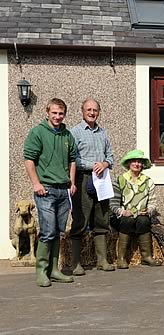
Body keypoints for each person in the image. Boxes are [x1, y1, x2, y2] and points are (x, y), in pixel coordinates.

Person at [24, 98, 77, 287]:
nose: (57, 116)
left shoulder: (67, 135)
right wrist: (36, 183)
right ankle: (41, 271)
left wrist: (71, 182)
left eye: (61, 113)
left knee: (59, 231)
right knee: (47, 231)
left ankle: (55, 270)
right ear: (47, 112)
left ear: (65, 114)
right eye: (54, 113)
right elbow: (29, 159)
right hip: (45, 189)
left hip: (64, 190)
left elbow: (73, 159)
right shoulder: (38, 132)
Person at [70, 98, 115, 275]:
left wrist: (104, 164)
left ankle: (102, 260)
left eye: (95, 110)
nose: (92, 112)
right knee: (80, 219)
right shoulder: (75, 132)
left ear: (99, 112)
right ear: (82, 111)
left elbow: (111, 156)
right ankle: (75, 263)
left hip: (102, 178)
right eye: (88, 109)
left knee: (102, 218)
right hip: (83, 178)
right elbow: (73, 159)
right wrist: (93, 165)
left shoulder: (103, 133)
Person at [110, 150, 163, 269]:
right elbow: (113, 204)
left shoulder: (148, 181)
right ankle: (121, 258)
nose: (137, 164)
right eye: (134, 161)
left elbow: (153, 203)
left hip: (141, 215)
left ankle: (146, 257)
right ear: (128, 163)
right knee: (127, 221)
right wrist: (122, 212)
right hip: (122, 216)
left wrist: (149, 210)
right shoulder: (119, 180)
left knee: (144, 221)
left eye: (139, 162)